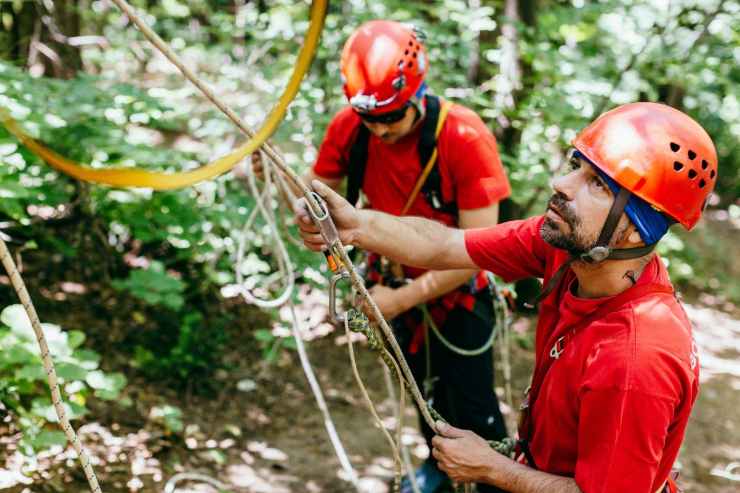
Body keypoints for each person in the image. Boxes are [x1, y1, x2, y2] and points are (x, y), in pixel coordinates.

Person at [293, 102, 717, 493]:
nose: (562, 184)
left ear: (634, 228)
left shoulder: (634, 360)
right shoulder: (565, 248)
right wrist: (356, 227)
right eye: (575, 165)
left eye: (598, 185)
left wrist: (493, 468)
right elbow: (447, 245)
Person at [253, 19, 512, 492]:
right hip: (388, 284)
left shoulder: (463, 136)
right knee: (421, 392)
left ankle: (495, 485)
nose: (380, 128)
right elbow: (316, 193)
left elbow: (482, 249)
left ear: (418, 94)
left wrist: (402, 298)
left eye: (391, 116)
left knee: (472, 406)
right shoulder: (352, 128)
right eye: (369, 117)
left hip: (455, 293)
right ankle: (438, 470)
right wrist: (300, 207)